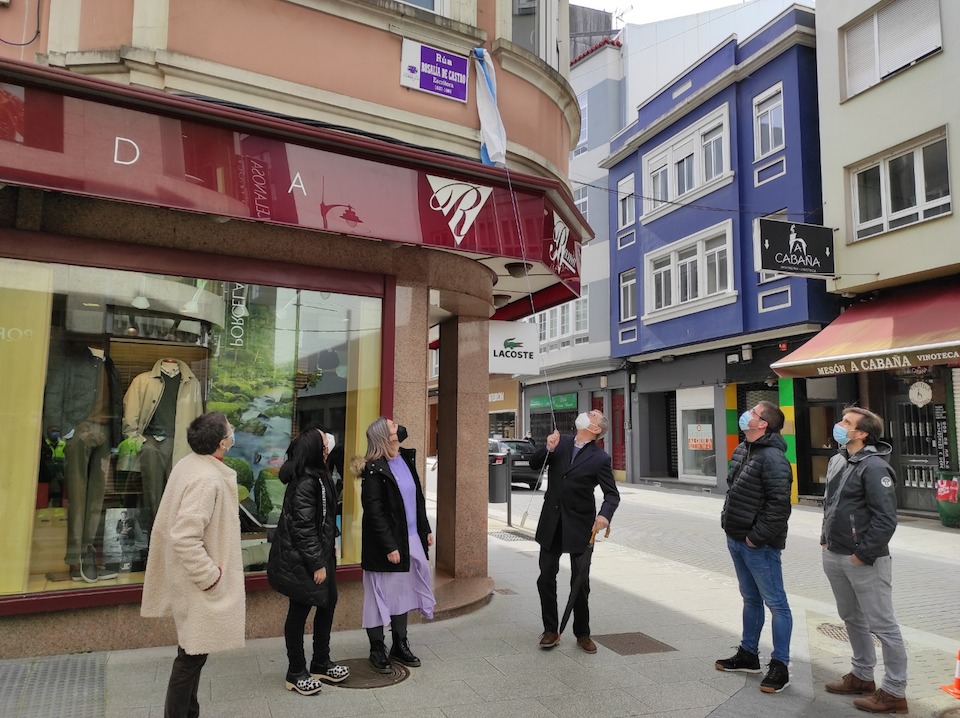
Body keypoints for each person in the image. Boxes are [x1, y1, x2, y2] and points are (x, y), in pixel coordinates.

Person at [140, 412, 245, 718]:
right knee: (189, 658)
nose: (233, 431)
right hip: (197, 583)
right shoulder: (206, 478)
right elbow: (184, 537)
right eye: (230, 429)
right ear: (223, 443)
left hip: (188, 580)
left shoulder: (192, 464)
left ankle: (189, 713)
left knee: (193, 652)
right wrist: (209, 575)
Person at [821, 407, 908, 714]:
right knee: (851, 618)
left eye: (847, 423)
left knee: (883, 625)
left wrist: (863, 554)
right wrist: (825, 538)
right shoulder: (838, 459)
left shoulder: (874, 467)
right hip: (835, 553)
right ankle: (861, 675)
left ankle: (895, 691)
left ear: (862, 434)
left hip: (864, 560)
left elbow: (886, 519)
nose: (839, 425)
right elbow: (830, 503)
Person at [715, 401, 793, 694]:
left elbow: (779, 505)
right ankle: (748, 654)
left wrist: (755, 537)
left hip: (758, 544)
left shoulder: (773, 458)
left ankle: (780, 665)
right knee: (750, 598)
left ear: (763, 424)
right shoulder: (743, 449)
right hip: (735, 538)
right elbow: (733, 489)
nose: (747, 414)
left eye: (754, 412)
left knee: (777, 603)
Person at [267, 425, 349, 695]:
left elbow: (322, 518)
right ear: (317, 450)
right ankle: (296, 671)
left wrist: (331, 544)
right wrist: (316, 564)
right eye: (325, 441)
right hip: (302, 559)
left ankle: (321, 662)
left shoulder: (319, 473)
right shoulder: (305, 481)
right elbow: (303, 528)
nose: (329, 443)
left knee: (327, 604)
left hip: (320, 554)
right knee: (299, 613)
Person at [530, 409, 619, 654]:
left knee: (580, 581)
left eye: (592, 414)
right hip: (551, 523)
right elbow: (534, 464)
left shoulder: (600, 457)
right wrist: (547, 448)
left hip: (580, 525)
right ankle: (550, 629)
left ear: (596, 429)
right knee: (546, 577)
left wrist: (604, 515)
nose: (586, 413)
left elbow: (612, 494)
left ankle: (583, 633)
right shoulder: (561, 441)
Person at [354, 417, 435, 673]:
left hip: (410, 539)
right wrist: (390, 546)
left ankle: (400, 644)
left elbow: (417, 499)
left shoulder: (404, 460)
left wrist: (425, 529)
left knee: (404, 593)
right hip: (386, 545)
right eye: (391, 426)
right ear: (383, 436)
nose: (397, 427)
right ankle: (377, 649)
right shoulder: (374, 468)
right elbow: (374, 512)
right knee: (379, 598)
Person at [43, 341, 123, 582]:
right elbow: (54, 392)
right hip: (78, 429)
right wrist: (58, 429)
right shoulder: (72, 360)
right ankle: (75, 557)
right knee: (77, 496)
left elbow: (117, 402)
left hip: (105, 433)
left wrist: (116, 438)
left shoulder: (110, 364)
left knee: (97, 498)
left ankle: (88, 552)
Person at [122, 357, 203, 537]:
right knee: (152, 492)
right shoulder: (142, 380)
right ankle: (155, 538)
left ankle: (173, 539)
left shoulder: (192, 383)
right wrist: (136, 439)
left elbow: (197, 415)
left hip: (181, 442)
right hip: (149, 442)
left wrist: (197, 445)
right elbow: (130, 413)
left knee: (178, 493)